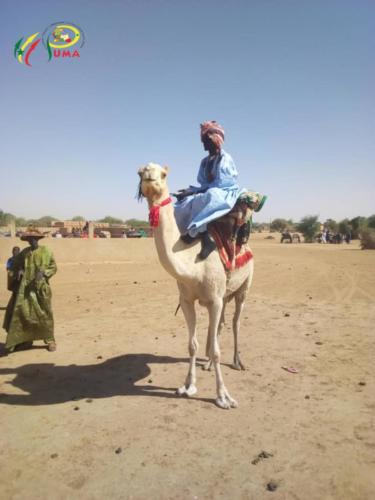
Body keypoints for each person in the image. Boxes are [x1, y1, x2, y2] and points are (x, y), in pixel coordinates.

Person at [174, 121, 246, 259]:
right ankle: (190, 231)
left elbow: (222, 183)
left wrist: (197, 192)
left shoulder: (225, 158)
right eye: (203, 140)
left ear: (216, 139)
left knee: (211, 196)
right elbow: (203, 182)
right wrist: (190, 191)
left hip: (223, 191)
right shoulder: (204, 161)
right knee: (183, 202)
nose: (204, 144)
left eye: (206, 140)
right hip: (207, 190)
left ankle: (206, 237)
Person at [2, 228, 57, 353]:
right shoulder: (24, 252)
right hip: (25, 289)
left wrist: (44, 273)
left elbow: (53, 267)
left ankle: (50, 340)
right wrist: (19, 270)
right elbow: (15, 265)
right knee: (24, 314)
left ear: (37, 239)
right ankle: (26, 340)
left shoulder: (46, 251)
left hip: (41, 288)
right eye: (28, 239)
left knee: (44, 314)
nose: (30, 241)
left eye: (32, 239)